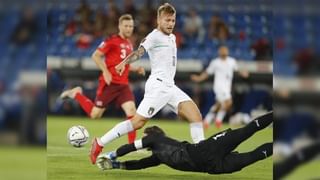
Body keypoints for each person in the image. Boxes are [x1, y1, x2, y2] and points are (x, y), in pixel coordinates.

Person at [89, 3, 205, 164]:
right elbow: (139, 53)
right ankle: (99, 143)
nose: (171, 24)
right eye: (167, 20)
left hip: (170, 86)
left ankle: (202, 154)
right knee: (137, 123)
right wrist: (124, 63)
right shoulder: (153, 36)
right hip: (158, 86)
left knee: (196, 116)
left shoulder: (172, 37)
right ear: (158, 19)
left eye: (173, 20)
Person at [60, 14, 145, 144]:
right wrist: (105, 72)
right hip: (109, 84)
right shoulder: (111, 41)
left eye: (131, 26)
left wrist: (135, 69)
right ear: (120, 26)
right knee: (95, 115)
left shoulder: (129, 44)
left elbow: (124, 64)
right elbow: (96, 56)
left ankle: (132, 145)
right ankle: (77, 93)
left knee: (132, 112)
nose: (129, 29)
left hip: (123, 85)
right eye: (126, 26)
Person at [96, 112, 273, 174]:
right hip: (210, 163)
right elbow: (139, 164)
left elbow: (130, 146)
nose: (144, 138)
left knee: (251, 150)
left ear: (152, 134)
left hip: (208, 160)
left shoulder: (154, 140)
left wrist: (113, 155)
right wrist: (116, 165)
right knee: (249, 138)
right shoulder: (159, 157)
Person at [191, 46, 249, 129]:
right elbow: (207, 72)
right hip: (218, 86)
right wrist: (199, 78)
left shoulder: (232, 61)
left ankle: (207, 121)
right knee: (228, 102)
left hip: (227, 87)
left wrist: (243, 73)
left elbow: (238, 70)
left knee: (218, 105)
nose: (224, 51)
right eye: (222, 50)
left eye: (225, 50)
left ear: (228, 51)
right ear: (219, 52)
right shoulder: (215, 62)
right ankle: (218, 120)